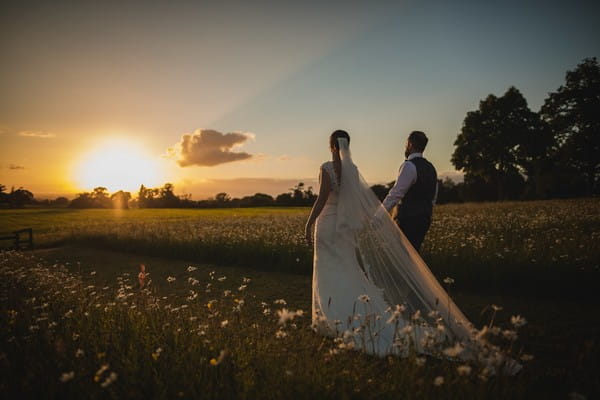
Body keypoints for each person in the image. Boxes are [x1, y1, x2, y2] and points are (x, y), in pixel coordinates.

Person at [304, 130, 521, 374]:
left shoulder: (404, 166)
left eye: (407, 142)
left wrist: (371, 221)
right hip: (405, 221)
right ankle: (402, 302)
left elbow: (389, 194)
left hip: (356, 222)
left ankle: (344, 315)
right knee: (354, 266)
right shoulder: (420, 168)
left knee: (345, 268)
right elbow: (431, 197)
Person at [382, 131, 437, 252]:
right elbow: (433, 197)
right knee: (413, 256)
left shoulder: (409, 166)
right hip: (424, 219)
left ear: (410, 144)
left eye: (406, 143)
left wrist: (378, 216)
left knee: (402, 258)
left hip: (407, 220)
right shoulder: (431, 168)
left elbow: (395, 194)